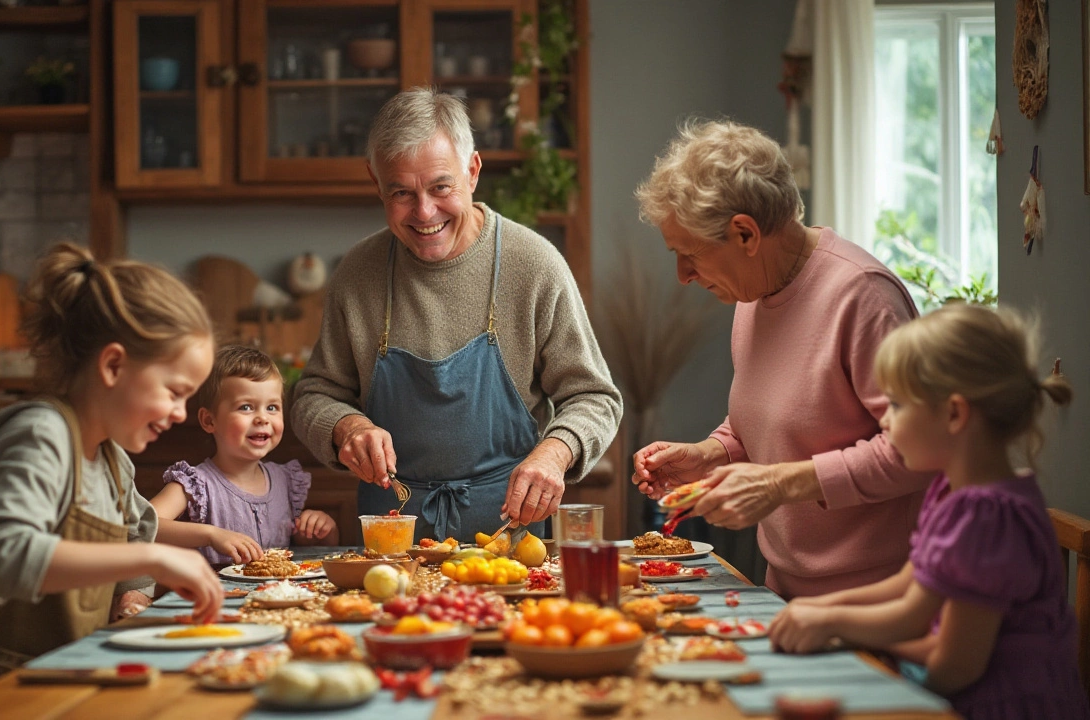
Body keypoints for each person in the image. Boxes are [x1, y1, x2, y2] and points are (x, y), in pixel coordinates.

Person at [290, 87, 622, 541]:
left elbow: (595, 397)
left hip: (512, 536)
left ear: (473, 171)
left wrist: (555, 453)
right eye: (401, 193)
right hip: (393, 538)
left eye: (441, 187)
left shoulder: (534, 264)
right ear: (376, 182)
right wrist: (348, 426)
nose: (424, 212)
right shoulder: (358, 273)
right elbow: (312, 395)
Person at [631, 119, 932, 598]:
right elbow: (770, 419)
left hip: (882, 601)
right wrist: (709, 455)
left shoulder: (864, 298)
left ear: (746, 235)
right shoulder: (754, 292)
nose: (683, 275)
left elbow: (920, 452)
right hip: (784, 591)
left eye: (690, 254)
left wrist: (778, 484)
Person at [0, 243, 224, 699]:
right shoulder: (41, 436)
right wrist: (153, 559)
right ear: (113, 365)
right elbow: (4, 558)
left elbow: (134, 538)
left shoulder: (111, 457)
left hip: (65, 675)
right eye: (174, 392)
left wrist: (133, 595)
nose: (181, 413)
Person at [769, 303, 1087, 720]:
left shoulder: (988, 517)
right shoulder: (952, 489)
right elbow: (908, 584)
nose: (884, 423)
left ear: (954, 414)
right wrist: (818, 608)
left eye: (897, 406)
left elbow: (949, 663)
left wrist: (836, 626)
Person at [151, 345, 339, 565]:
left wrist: (322, 529)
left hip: (278, 597)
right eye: (246, 407)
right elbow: (145, 525)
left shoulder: (286, 481)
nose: (262, 418)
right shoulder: (195, 484)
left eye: (272, 408)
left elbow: (310, 548)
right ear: (209, 421)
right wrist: (211, 535)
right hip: (214, 597)